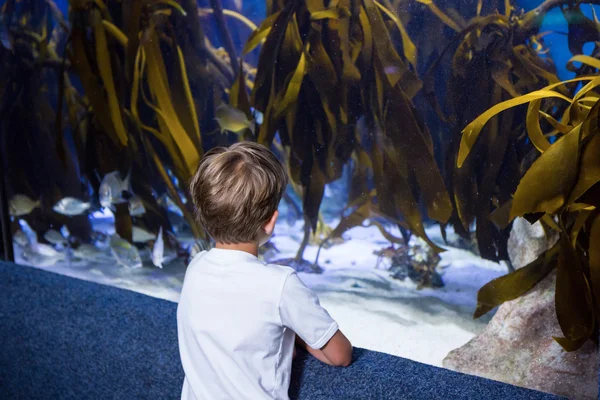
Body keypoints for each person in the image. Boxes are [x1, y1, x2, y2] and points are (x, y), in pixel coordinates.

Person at [177, 141, 353, 400]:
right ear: (270, 221)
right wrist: (294, 332)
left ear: (203, 214)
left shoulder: (196, 267)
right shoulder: (281, 285)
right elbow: (340, 355)